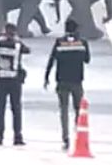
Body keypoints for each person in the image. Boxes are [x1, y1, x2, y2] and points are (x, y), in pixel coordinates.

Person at [45, 16, 91, 151]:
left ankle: (65, 138)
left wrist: (46, 77)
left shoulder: (59, 42)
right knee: (78, 109)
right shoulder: (82, 42)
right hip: (77, 81)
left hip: (61, 81)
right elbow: (87, 60)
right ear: (76, 29)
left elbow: (51, 60)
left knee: (63, 109)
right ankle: (78, 132)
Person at [0, 22, 30, 146]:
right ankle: (17, 136)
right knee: (16, 108)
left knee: (0, 109)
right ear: (14, 32)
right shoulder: (18, 44)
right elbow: (27, 50)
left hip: (0, 79)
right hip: (15, 80)